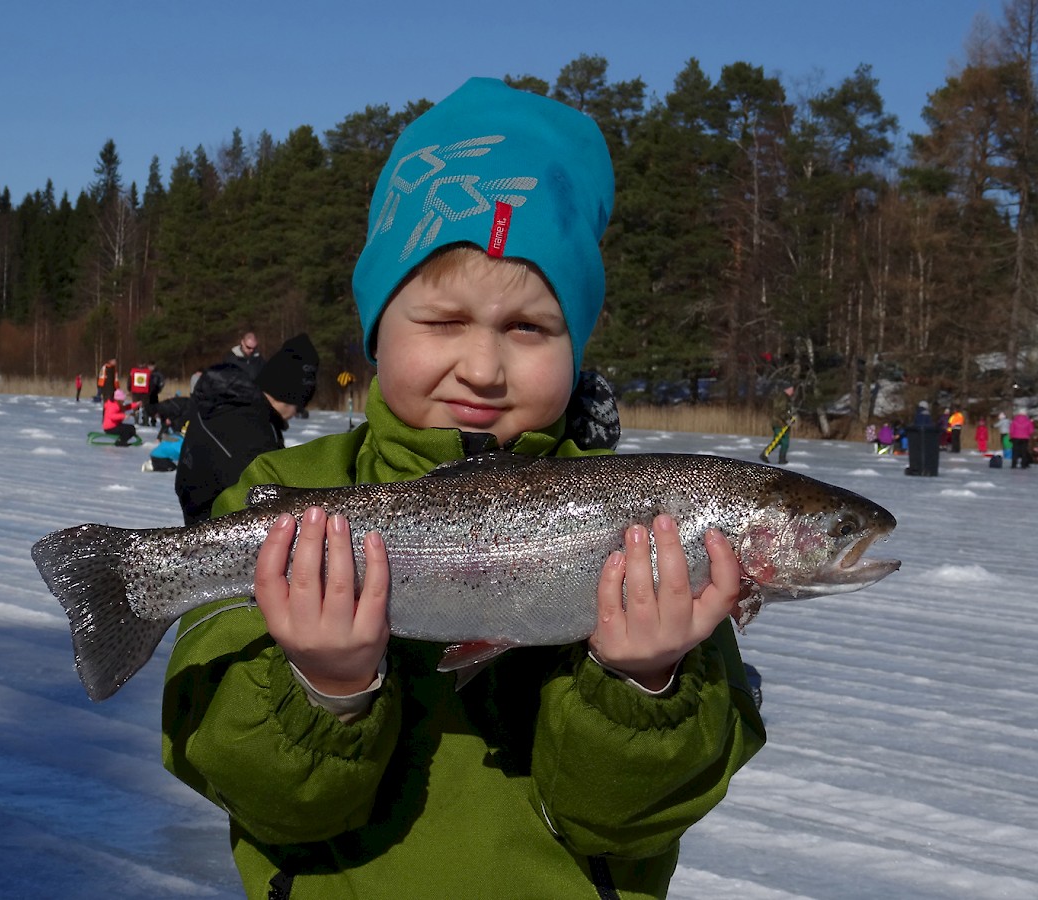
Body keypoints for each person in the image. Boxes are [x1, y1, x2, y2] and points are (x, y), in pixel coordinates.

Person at [161, 78, 763, 899]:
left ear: (577, 344)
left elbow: (626, 822)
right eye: (444, 323)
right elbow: (262, 798)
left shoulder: (655, 531)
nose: (482, 367)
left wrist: (644, 680)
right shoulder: (284, 493)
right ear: (377, 330)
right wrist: (325, 686)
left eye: (529, 329)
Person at [174, 334, 319, 525]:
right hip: (217, 528)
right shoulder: (252, 428)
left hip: (202, 515)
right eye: (300, 406)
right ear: (288, 395)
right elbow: (263, 495)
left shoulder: (239, 407)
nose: (297, 413)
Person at [760, 385, 796, 464]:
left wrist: (790, 418)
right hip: (779, 423)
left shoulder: (787, 398)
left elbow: (787, 411)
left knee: (784, 442)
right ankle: (764, 454)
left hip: (783, 424)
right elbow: (780, 410)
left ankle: (782, 459)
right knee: (778, 440)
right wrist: (787, 418)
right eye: (792, 389)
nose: (793, 392)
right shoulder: (782, 397)